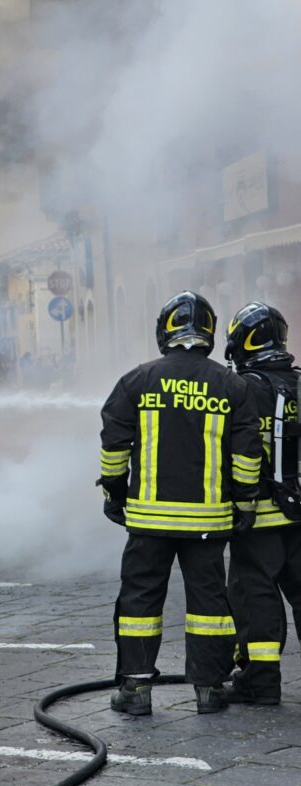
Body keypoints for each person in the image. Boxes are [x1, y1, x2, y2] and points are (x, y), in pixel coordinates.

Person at [99, 291, 262, 715]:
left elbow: (114, 446)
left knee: (139, 602)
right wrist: (245, 504)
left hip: (148, 521)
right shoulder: (232, 385)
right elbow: (247, 456)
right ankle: (209, 691)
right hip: (208, 521)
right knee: (209, 605)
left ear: (165, 330)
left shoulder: (136, 381)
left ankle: (135, 691)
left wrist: (115, 495)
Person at [224, 302, 301, 705]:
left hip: (261, 520)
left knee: (256, 598)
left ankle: (261, 682)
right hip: (300, 516)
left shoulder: (243, 389)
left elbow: (237, 450)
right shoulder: (299, 382)